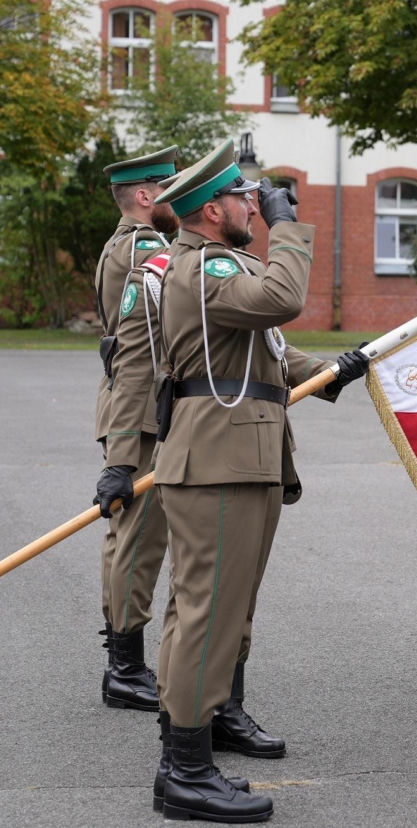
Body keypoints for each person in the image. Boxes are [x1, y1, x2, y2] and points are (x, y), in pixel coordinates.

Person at [150, 139, 368, 822]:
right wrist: (290, 229)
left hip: (239, 459)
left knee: (222, 613)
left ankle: (197, 744)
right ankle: (184, 771)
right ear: (212, 211)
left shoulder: (220, 264)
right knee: (206, 617)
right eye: (245, 197)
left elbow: (265, 348)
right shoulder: (203, 266)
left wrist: (330, 373)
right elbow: (282, 298)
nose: (255, 204)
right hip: (216, 462)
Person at [93, 145, 180, 711]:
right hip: (143, 417)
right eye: (170, 188)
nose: (180, 198)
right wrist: (125, 454)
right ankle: (125, 668)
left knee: (124, 541)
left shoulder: (119, 243)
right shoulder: (147, 248)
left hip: (131, 412)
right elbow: (133, 354)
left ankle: (121, 658)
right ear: (147, 196)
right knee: (139, 545)